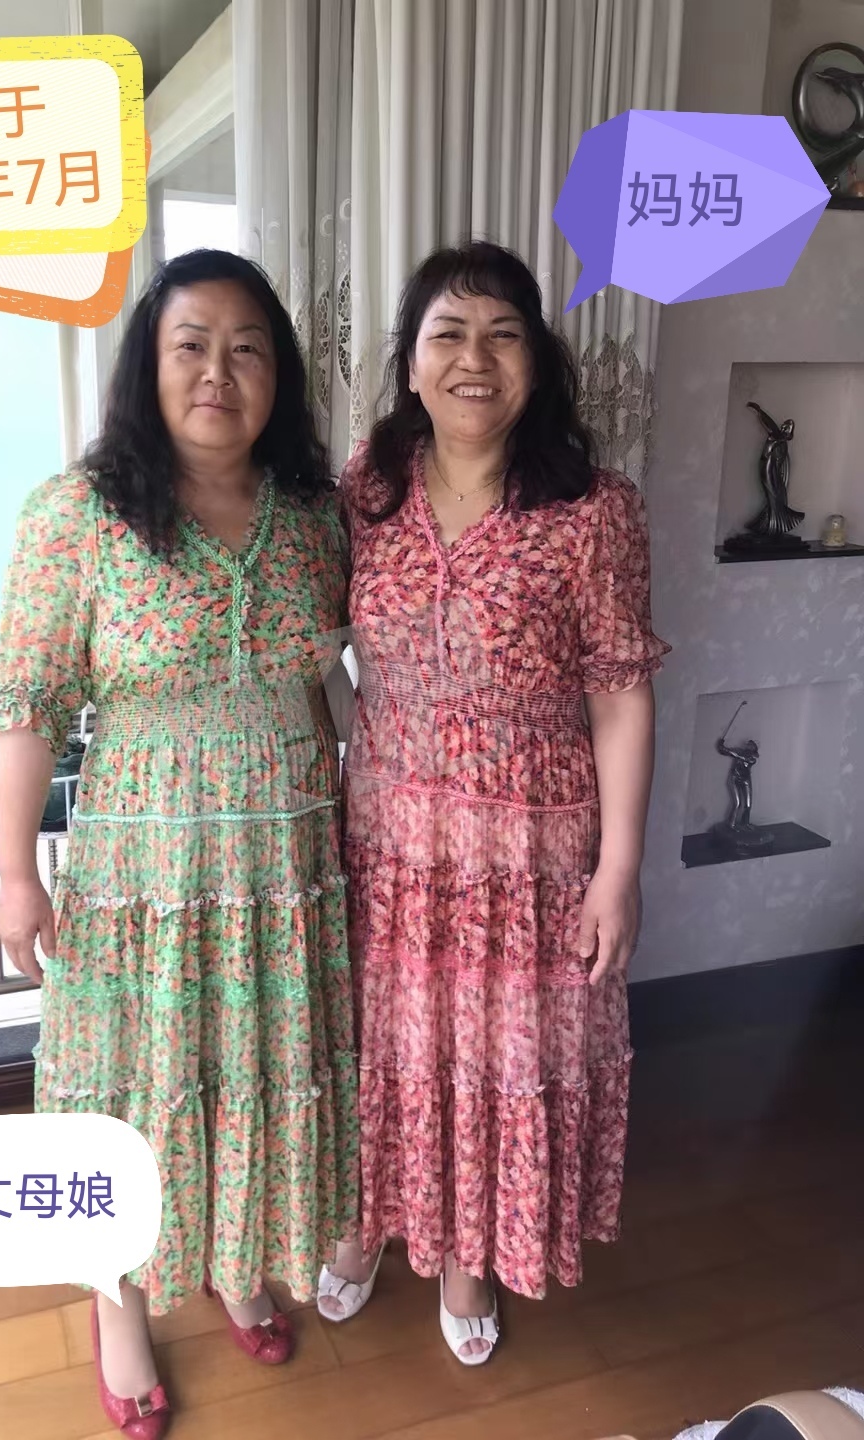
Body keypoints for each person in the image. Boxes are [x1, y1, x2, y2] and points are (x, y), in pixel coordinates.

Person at [0, 249, 358, 1439]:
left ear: (278, 377)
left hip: (283, 870)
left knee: (255, 1074)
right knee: (137, 1086)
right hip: (142, 875)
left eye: (248, 349)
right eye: (190, 345)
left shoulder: (316, 518)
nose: (217, 372)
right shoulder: (77, 515)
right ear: (147, 366)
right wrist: (13, 874)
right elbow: (29, 707)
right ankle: (121, 1308)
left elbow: (333, 685)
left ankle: (236, 1262)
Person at [316, 241, 670, 1365]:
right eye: (449, 334)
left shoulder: (594, 509)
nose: (476, 358)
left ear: (538, 360)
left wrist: (620, 869)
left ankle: (467, 1254)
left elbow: (621, 692)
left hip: (530, 849)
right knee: (386, 1046)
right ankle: (366, 1220)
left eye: (503, 334)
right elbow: (314, 636)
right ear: (411, 363)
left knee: (493, 1061)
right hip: (389, 840)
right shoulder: (367, 488)